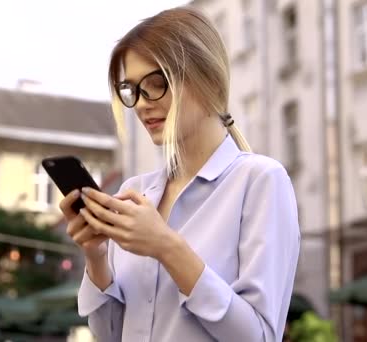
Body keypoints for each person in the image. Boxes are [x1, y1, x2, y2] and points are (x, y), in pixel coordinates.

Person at [59, 6, 300, 342]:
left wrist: (166, 247)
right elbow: (111, 335)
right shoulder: (136, 192)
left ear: (207, 79)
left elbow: (258, 335)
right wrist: (97, 257)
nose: (142, 103)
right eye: (132, 90)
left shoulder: (260, 181)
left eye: (157, 83)